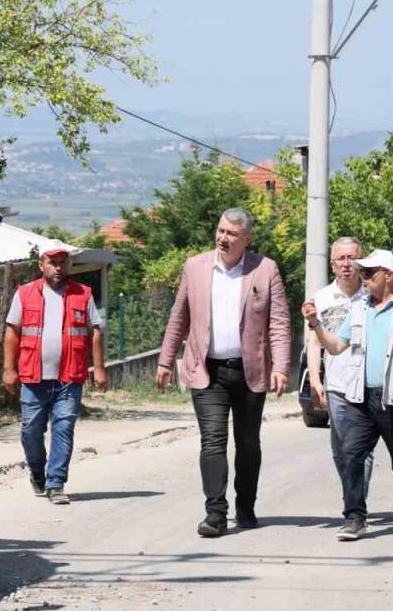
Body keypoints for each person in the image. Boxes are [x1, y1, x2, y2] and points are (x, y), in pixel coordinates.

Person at [156, 208, 292, 537]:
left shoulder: (266, 269)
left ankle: (246, 505)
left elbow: (279, 322)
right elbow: (179, 316)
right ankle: (215, 513)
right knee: (212, 441)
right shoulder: (195, 267)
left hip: (251, 371)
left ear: (246, 238)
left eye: (231, 234)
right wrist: (165, 360)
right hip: (208, 371)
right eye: (220, 231)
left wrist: (282, 367)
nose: (223, 238)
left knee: (248, 444)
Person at [302, 249, 393, 541]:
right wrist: (316, 325)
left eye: (368, 274)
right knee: (351, 455)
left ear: (388, 276)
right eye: (361, 273)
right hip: (359, 398)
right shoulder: (359, 308)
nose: (363, 279)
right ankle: (354, 518)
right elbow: (336, 346)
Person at [2, 247, 107, 505]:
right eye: (53, 262)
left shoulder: (83, 294)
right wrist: (9, 369)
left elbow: (95, 332)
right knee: (30, 430)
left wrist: (100, 369)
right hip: (33, 376)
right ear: (41, 265)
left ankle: (56, 482)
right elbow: (12, 333)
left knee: (64, 427)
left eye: (63, 263)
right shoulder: (25, 294)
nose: (58, 267)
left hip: (70, 376)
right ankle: (38, 471)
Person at [306, 236, 374, 500]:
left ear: (360, 261)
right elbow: (314, 343)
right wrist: (315, 380)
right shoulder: (322, 298)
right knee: (340, 449)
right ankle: (353, 496)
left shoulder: (372, 295)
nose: (346, 264)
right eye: (340, 259)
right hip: (336, 384)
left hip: (367, 382)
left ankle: (356, 502)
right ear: (332, 264)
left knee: (360, 448)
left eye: (351, 258)